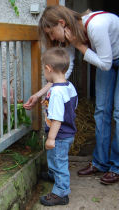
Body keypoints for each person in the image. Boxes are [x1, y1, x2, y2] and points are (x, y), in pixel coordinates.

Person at [24, 5, 119, 185]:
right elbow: (62, 73)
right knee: (101, 109)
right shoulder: (71, 37)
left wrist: (79, 45)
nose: (52, 38)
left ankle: (118, 166)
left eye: (51, 32)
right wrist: (39, 94)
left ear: (61, 23)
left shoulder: (96, 25)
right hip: (106, 58)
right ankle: (100, 162)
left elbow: (105, 64)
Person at [38, 47, 78, 206]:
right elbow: (72, 106)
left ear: (48, 68)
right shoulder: (69, 86)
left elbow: (57, 119)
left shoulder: (56, 92)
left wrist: (51, 138)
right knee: (54, 158)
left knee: (59, 162)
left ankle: (61, 193)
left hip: (59, 135)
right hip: (67, 133)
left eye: (43, 69)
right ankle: (53, 175)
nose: (44, 72)